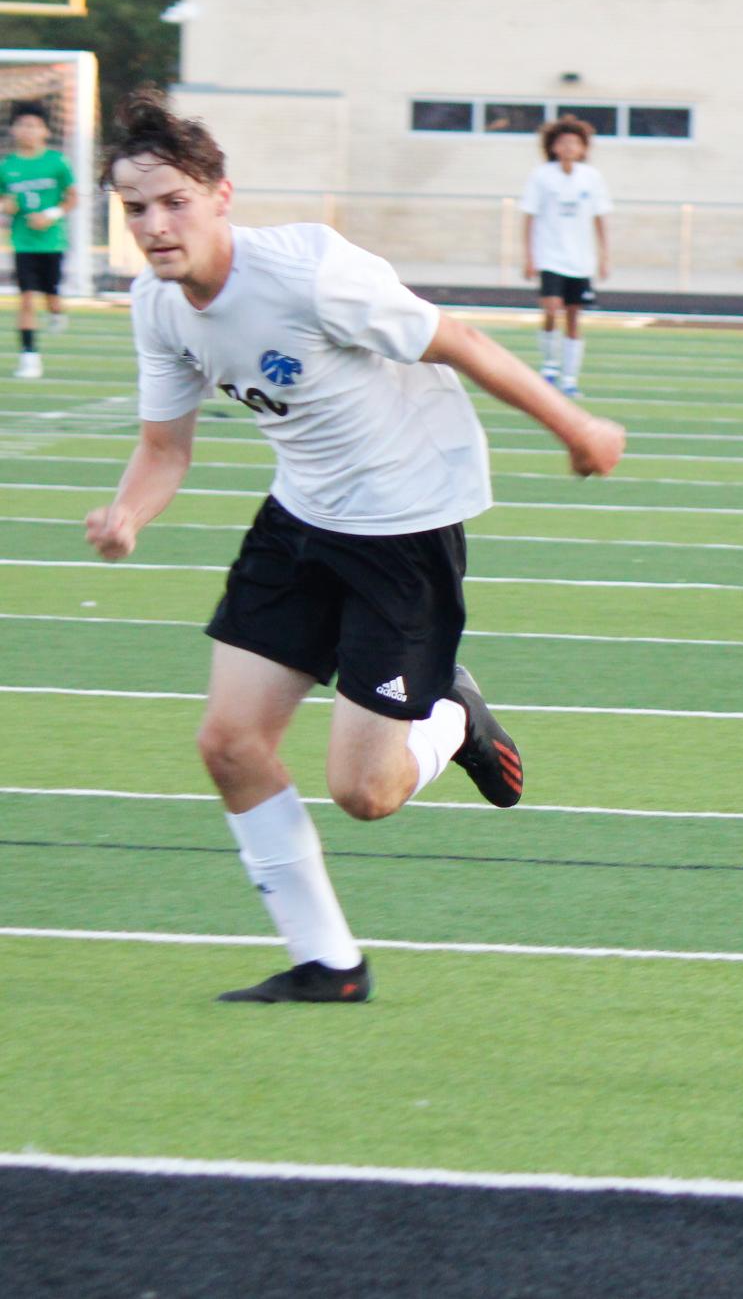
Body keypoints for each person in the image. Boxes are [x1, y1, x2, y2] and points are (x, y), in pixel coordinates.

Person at [87, 89, 627, 1003]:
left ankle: (451, 713)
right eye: (136, 208)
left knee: (365, 793)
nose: (155, 224)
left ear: (223, 194)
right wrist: (129, 513)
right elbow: (163, 447)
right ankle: (328, 963)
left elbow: (453, 339)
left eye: (173, 200)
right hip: (301, 518)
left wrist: (574, 425)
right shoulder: (158, 306)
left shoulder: (307, 271)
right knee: (228, 742)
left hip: (402, 525)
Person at [519, 116, 612, 396]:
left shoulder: (592, 178)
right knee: (550, 309)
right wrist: (529, 257)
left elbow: (600, 218)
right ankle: (549, 365)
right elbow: (529, 217)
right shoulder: (542, 176)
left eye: (575, 143)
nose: (570, 147)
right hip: (550, 256)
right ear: (553, 147)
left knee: (573, 318)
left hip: (580, 260)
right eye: (564, 142)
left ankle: (570, 379)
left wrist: (604, 256)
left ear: (583, 148)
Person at [3, 101, 77, 380]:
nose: (27, 130)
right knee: (25, 299)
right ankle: (29, 357)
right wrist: (5, 206)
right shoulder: (7, 166)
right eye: (22, 124)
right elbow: (4, 200)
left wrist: (51, 214)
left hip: (52, 242)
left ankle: (57, 312)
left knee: (52, 298)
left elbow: (72, 198)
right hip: (23, 243)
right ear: (13, 129)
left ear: (45, 130)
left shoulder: (56, 162)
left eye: (33, 125)